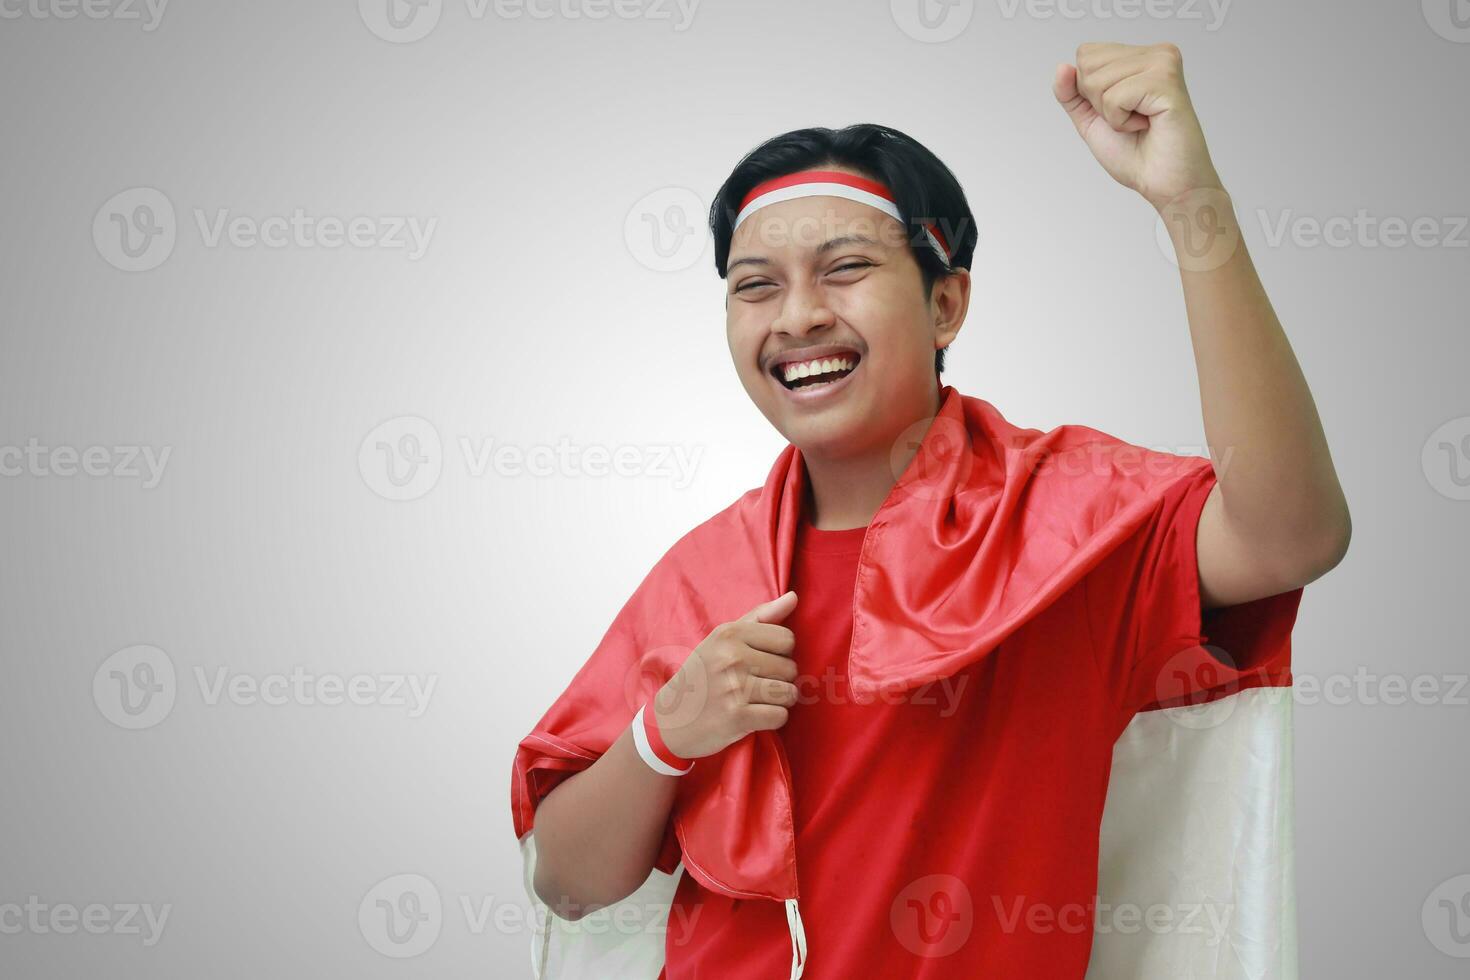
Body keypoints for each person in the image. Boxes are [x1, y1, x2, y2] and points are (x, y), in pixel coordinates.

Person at [511, 42, 1350, 979]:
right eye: (755, 284)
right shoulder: (707, 575)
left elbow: (1293, 534)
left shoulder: (1071, 528)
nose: (796, 317)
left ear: (946, 303)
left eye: (844, 269)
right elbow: (567, 881)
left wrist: (1193, 208)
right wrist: (663, 735)